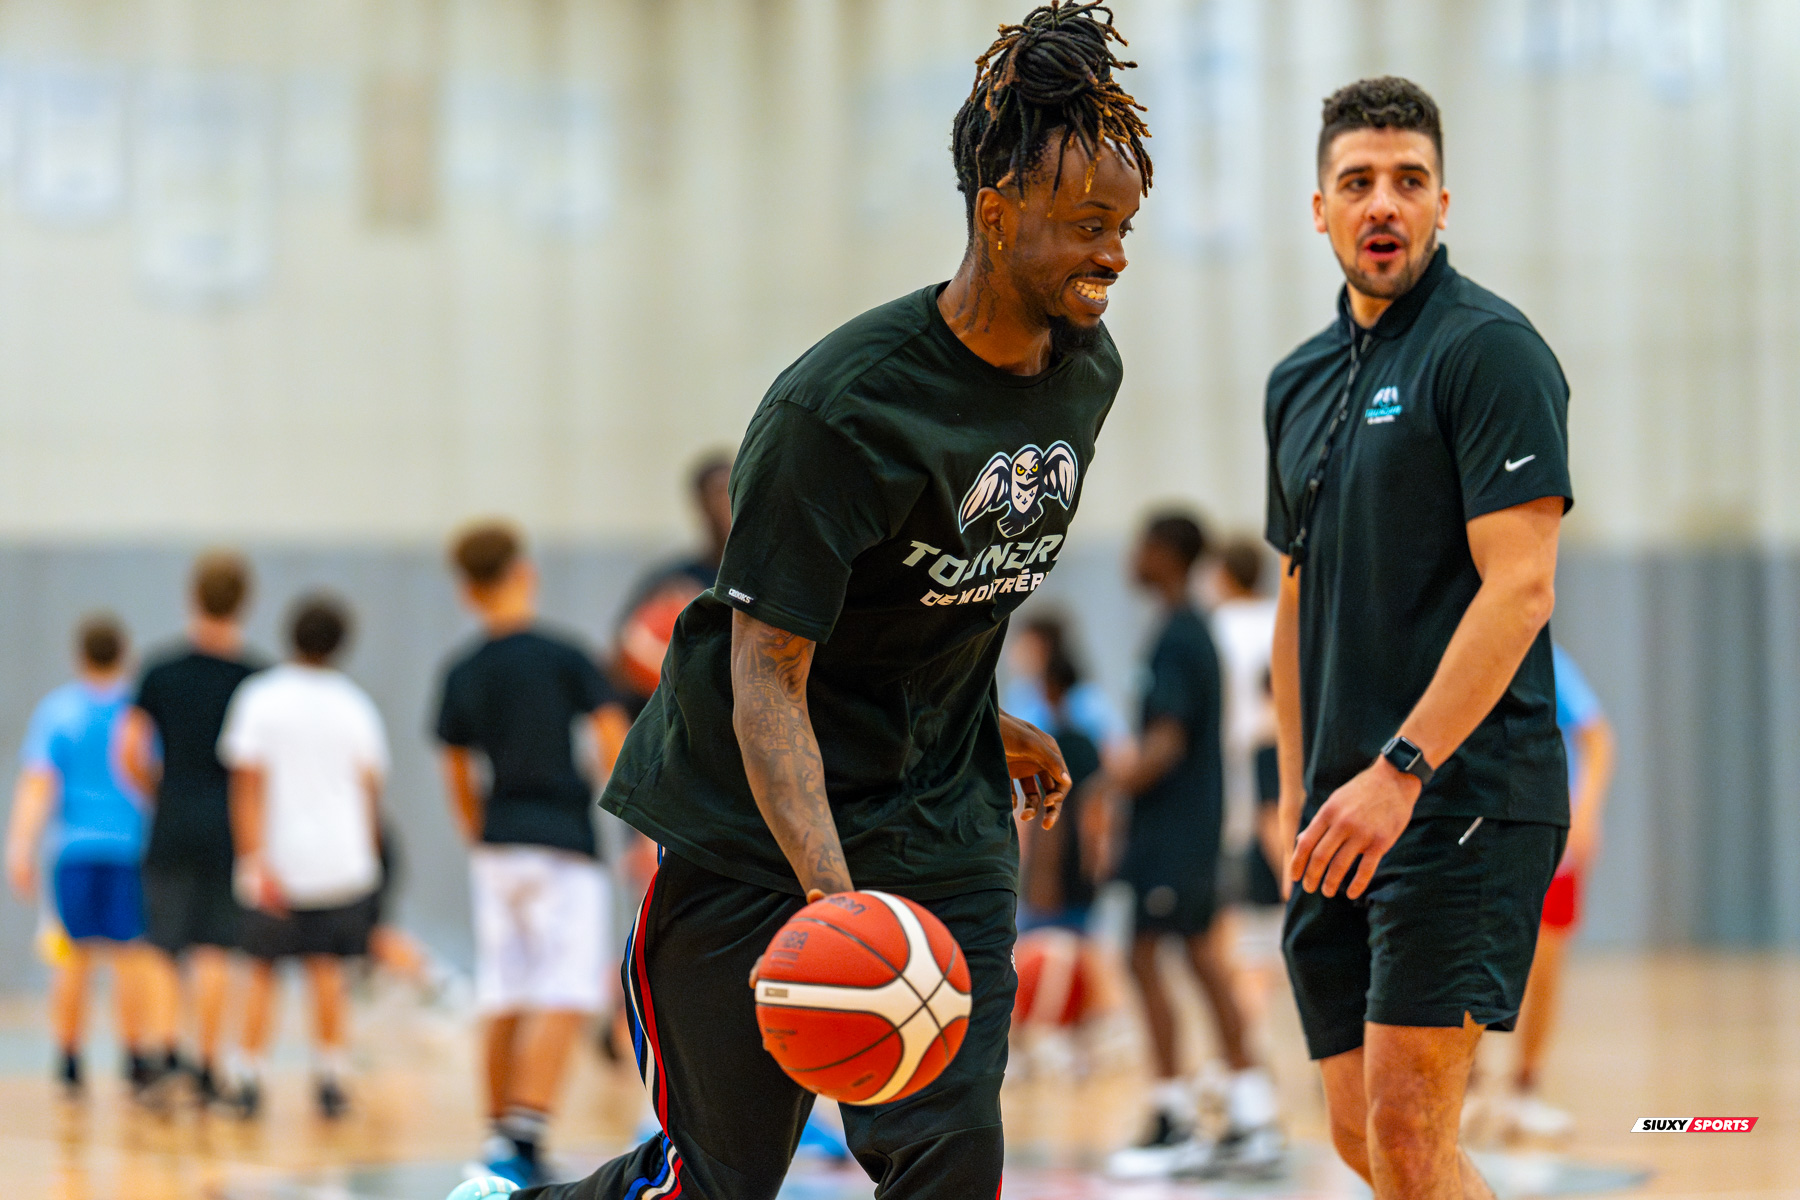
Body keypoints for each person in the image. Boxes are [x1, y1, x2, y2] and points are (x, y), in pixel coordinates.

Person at [506, 7, 1151, 1198]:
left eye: (1123, 227)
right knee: (716, 1183)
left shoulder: (1084, 373)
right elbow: (766, 673)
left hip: (942, 819)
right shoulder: (840, 412)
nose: (1113, 255)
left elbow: (940, 591)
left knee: (950, 1159)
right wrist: (834, 904)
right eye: (1086, 226)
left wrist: (977, 719)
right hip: (755, 829)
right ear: (996, 213)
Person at [1266, 77, 1573, 1199]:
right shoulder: (1297, 382)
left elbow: (1521, 589)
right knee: (1370, 1144)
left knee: (1406, 1141)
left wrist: (1400, 769)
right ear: (1320, 209)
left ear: (1444, 201)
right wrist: (1296, 790)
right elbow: (1297, 598)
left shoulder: (1490, 351)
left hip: (1460, 795)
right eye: (1357, 182)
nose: (1382, 202)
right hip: (1340, 812)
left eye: (1408, 180)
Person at [435, 521, 617, 1186]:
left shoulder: (463, 670)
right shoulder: (565, 656)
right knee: (563, 989)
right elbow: (612, 740)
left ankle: (497, 1136)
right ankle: (526, 1133)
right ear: (524, 571)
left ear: (467, 590)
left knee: (505, 989)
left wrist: (477, 828)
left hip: (498, 844)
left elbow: (455, 766)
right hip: (562, 841)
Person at [1103, 514, 1281, 1179]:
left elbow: (1166, 742)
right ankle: (1249, 1112)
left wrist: (1103, 789)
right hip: (1192, 826)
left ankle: (1175, 1116)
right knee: (1197, 959)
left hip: (1176, 829)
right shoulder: (1189, 627)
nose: (1132, 556)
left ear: (1166, 553)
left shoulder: (1181, 632)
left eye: (1141, 544)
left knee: (1149, 957)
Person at [220, 594, 388, 1120]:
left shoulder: (260, 697)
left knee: (261, 971)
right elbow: (370, 788)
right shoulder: (355, 705)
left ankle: (248, 1077)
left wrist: (253, 858)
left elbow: (246, 783)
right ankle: (331, 1077)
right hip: (342, 863)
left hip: (280, 861)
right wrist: (370, 855)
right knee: (329, 971)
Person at [121, 550, 262, 1104]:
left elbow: (129, 750)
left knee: (163, 945)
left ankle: (163, 1058)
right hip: (229, 824)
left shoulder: (161, 670)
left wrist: (158, 792)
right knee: (215, 948)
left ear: (193, 598)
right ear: (243, 603)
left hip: (174, 817)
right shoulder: (255, 677)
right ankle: (206, 1067)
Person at [5, 615, 162, 1099]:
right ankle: (134, 1058)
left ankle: (70, 1060)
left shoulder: (58, 712)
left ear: (80, 656)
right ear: (124, 655)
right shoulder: (137, 714)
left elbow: (38, 784)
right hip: (129, 848)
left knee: (72, 957)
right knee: (130, 957)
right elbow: (153, 777)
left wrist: (20, 846)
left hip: (72, 850)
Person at [1499, 644, 1615, 1137]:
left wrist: (1586, 814)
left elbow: (1598, 737)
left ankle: (1524, 1087)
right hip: (1481, 831)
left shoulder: (1547, 662)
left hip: (1546, 831)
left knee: (1545, 963)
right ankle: (1462, 1087)